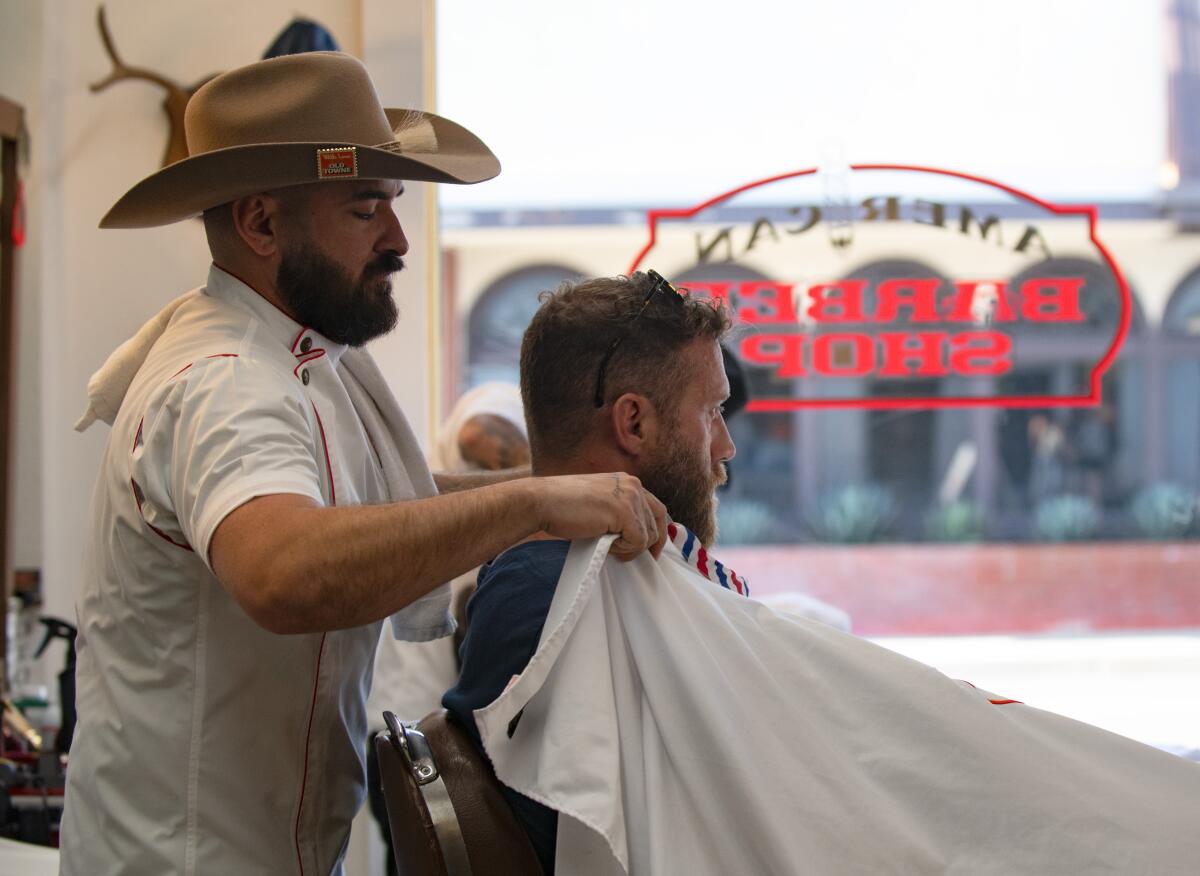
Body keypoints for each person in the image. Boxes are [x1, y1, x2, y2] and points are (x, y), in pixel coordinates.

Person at [61, 52, 667, 876]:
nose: (398, 240)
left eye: (391, 205)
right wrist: (537, 507)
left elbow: (382, 504)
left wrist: (551, 486)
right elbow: (286, 571)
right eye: (363, 210)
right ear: (262, 225)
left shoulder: (295, 369)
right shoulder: (228, 383)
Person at [443, 270, 735, 873]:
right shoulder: (554, 598)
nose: (725, 446)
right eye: (711, 413)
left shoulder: (563, 584)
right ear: (634, 424)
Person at [365, 382, 529, 875]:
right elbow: (482, 430)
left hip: (412, 733)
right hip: (411, 739)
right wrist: (554, 478)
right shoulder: (491, 412)